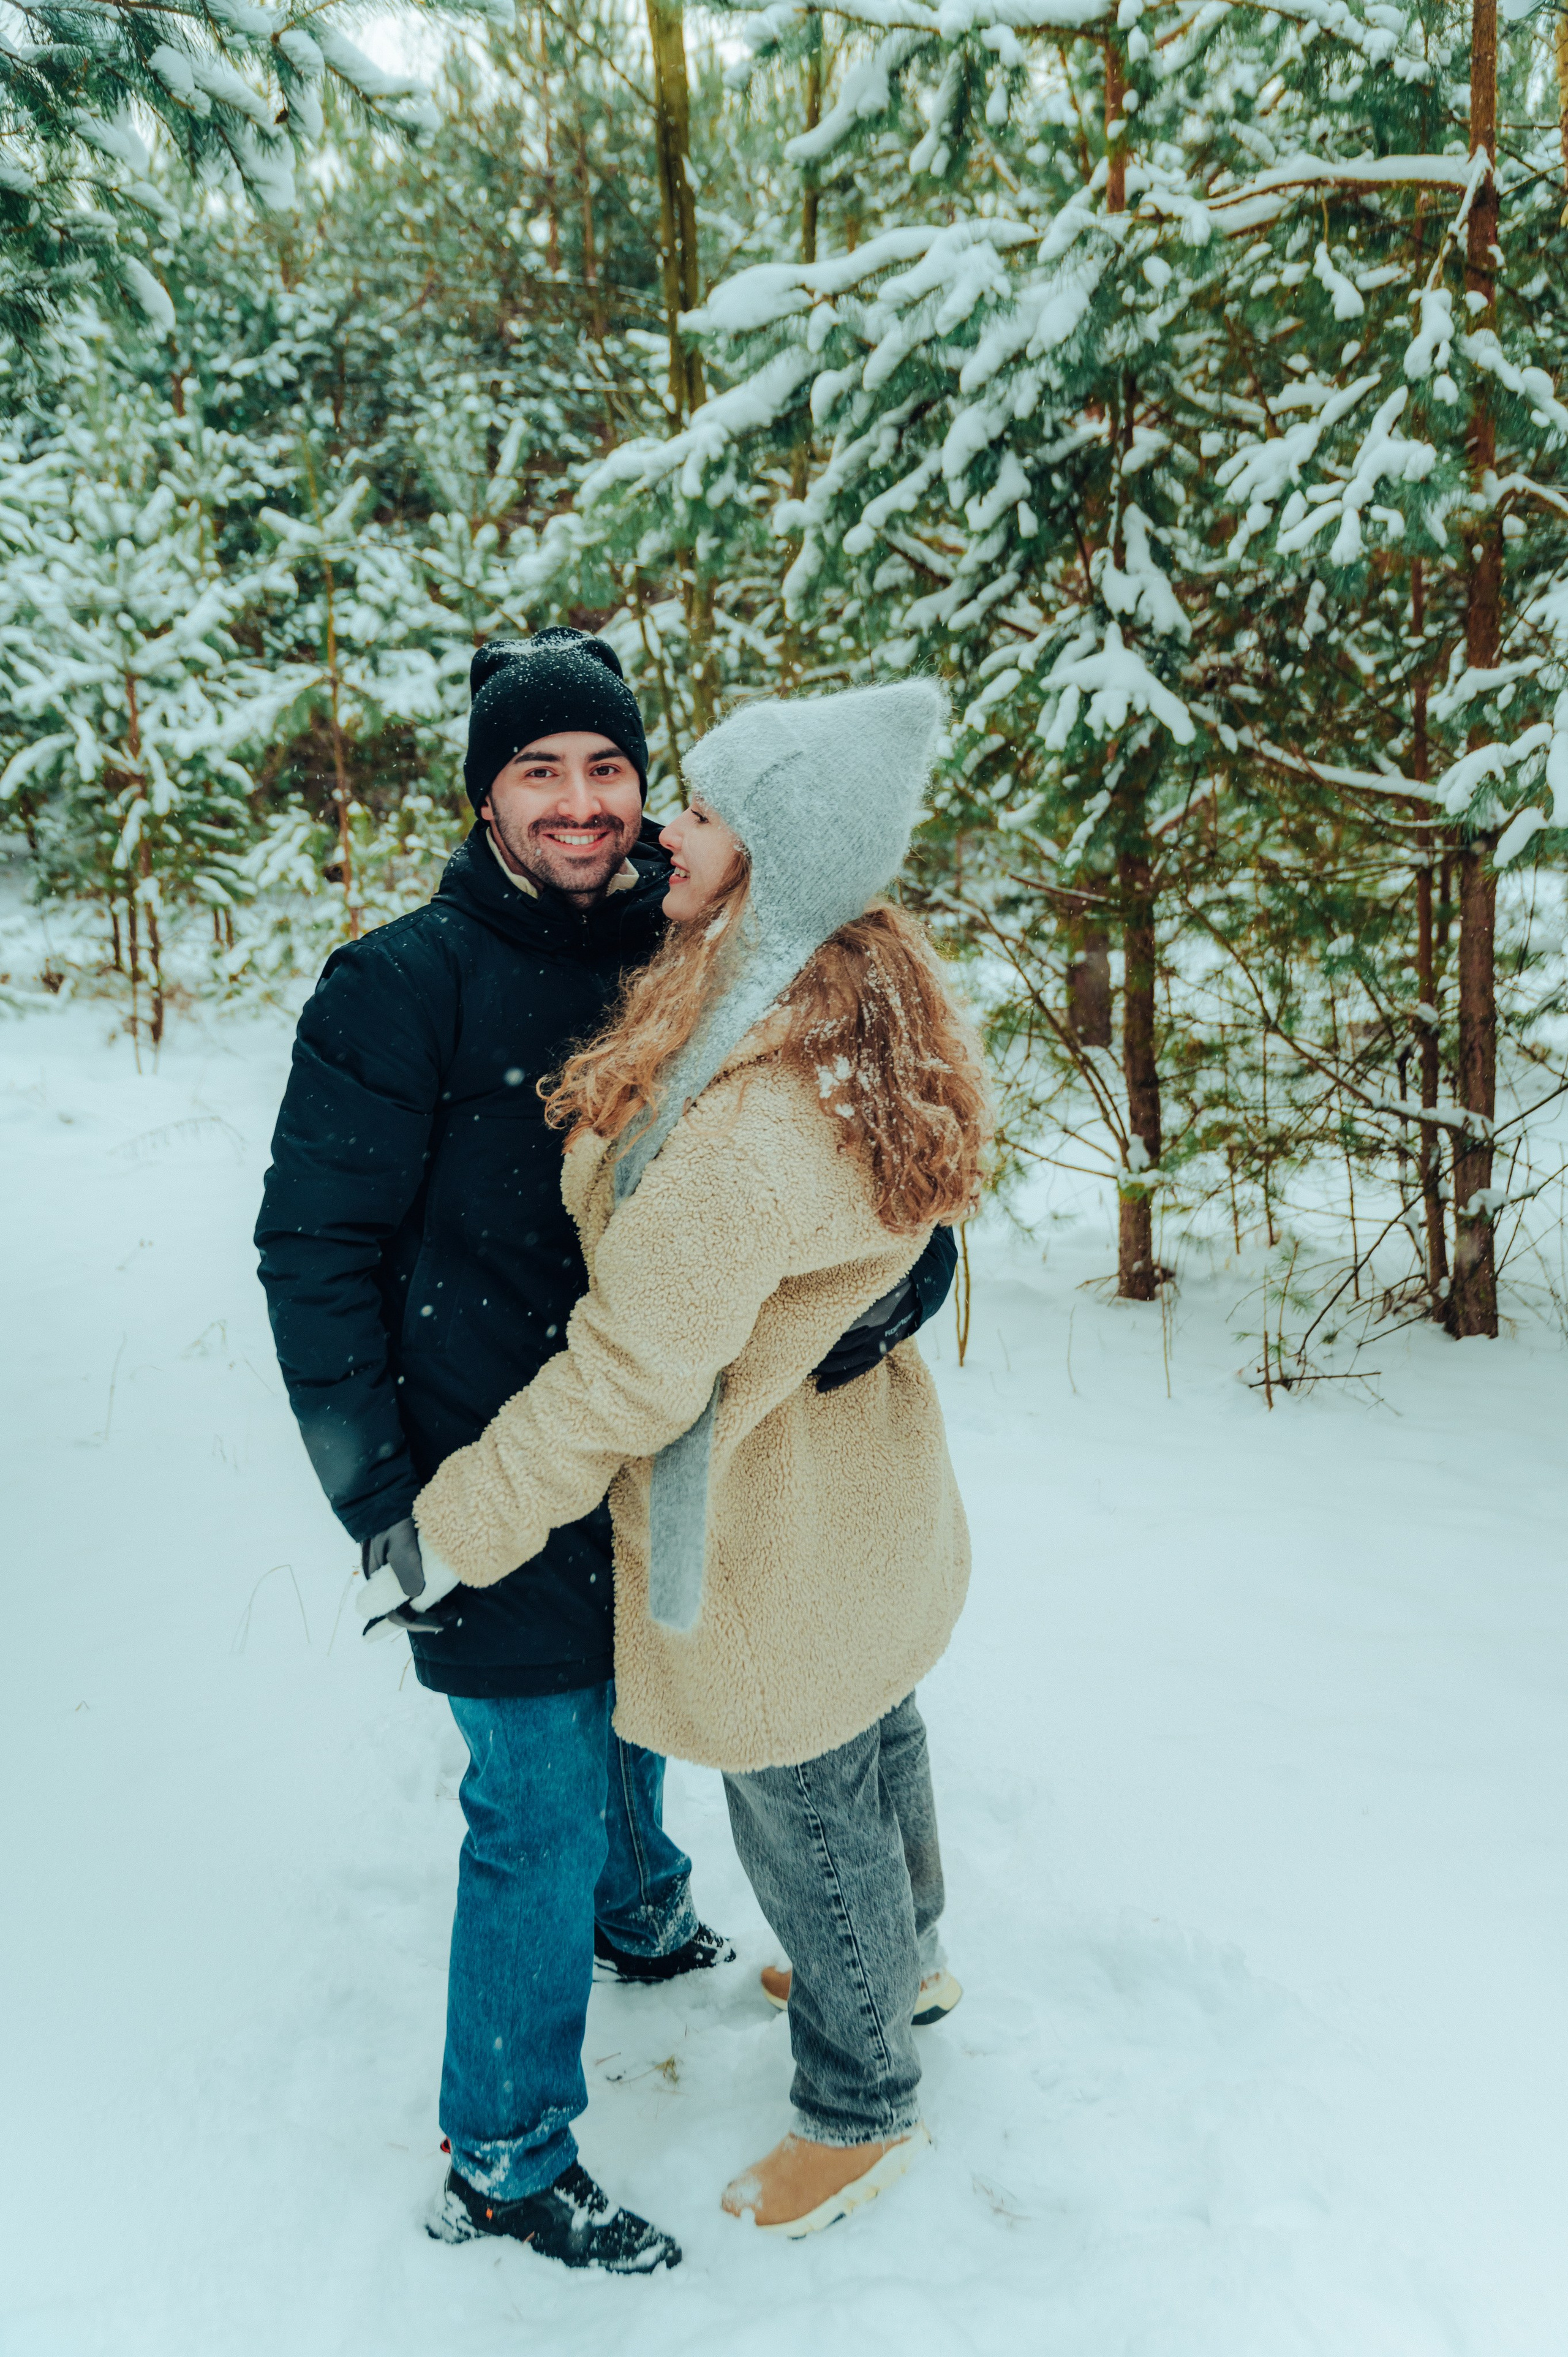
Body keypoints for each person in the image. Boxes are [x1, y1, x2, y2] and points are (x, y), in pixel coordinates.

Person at [254, 632, 957, 2274]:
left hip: (640, 1453)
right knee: (537, 1805)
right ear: (484, 795)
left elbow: (868, 1160)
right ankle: (506, 2158)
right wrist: (383, 1502)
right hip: (489, 1459)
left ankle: (644, 1919)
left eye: (611, 769)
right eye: (538, 771)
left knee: (643, 1711)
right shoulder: (400, 988)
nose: (583, 804)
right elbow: (312, 1254)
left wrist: (887, 1293)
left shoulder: (697, 937)